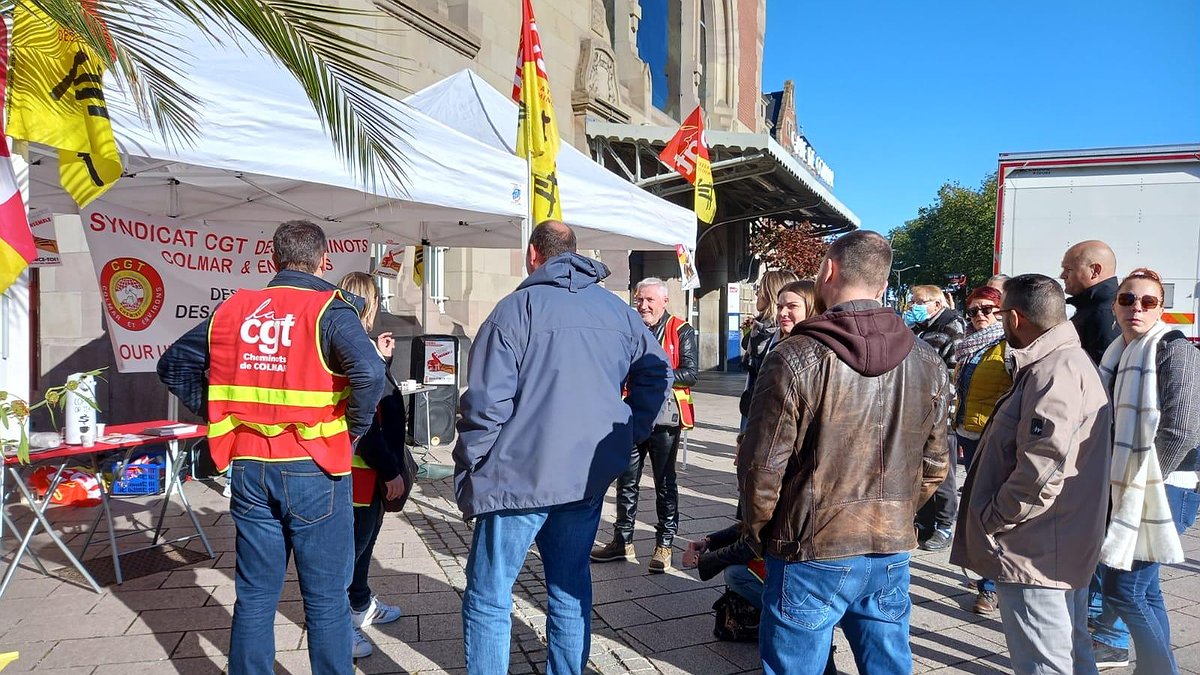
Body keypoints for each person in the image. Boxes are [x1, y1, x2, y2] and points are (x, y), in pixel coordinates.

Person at [158, 220, 385, 674]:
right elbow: (371, 374)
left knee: (256, 596)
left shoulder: (235, 309)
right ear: (325, 261)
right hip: (315, 468)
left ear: (272, 260)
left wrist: (218, 412)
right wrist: (352, 431)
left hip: (249, 467)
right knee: (324, 599)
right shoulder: (331, 310)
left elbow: (173, 364)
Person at [453, 221, 671, 675]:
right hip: (582, 477)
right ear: (575, 253)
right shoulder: (617, 312)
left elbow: (486, 403)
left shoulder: (515, 309)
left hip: (517, 478)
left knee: (490, 595)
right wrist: (630, 428)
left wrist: (471, 462)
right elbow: (657, 371)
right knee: (569, 587)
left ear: (533, 254)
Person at [738, 231, 951, 674]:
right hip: (889, 544)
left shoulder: (795, 355)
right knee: (889, 663)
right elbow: (935, 466)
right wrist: (898, 512)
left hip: (811, 545)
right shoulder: (928, 359)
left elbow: (762, 468)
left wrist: (760, 533)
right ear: (882, 284)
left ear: (828, 271)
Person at [950, 274, 1111, 675]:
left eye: (1001, 313)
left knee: (1044, 663)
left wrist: (995, 519)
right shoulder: (1058, 363)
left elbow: (1043, 467)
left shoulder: (1054, 370)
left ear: (1015, 318)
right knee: (1070, 655)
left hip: (1035, 550)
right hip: (1053, 543)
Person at [1090, 268, 1200, 674]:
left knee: (1125, 589)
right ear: (1116, 305)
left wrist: (1141, 482)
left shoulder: (1174, 349)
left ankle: (1159, 669)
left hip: (1166, 485)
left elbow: (1182, 428)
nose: (1136, 307)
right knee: (1144, 589)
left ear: (1160, 308)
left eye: (1148, 301)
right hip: (1133, 480)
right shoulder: (1118, 351)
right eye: (1127, 299)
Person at [591, 277, 698, 573]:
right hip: (631, 414)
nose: (643, 305)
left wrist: (655, 375)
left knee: (665, 482)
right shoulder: (628, 327)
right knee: (626, 482)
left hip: (665, 417)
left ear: (664, 301)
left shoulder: (681, 329)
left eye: (650, 300)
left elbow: (690, 373)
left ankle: (664, 544)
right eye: (640, 299)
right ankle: (621, 541)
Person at [336, 272, 407, 659]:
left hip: (369, 470)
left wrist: (383, 361)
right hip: (360, 471)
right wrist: (390, 468)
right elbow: (366, 422)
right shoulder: (354, 348)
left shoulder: (359, 346)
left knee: (364, 544)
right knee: (352, 549)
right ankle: (339, 626)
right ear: (368, 302)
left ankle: (360, 604)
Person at [952, 286, 1012, 616]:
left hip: (992, 438)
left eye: (987, 310)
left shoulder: (1008, 347)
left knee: (990, 513)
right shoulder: (969, 347)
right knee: (978, 510)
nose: (979, 317)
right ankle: (988, 574)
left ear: (1002, 312)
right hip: (967, 433)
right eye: (973, 311)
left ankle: (990, 585)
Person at [907, 284, 967, 551]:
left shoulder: (951, 326)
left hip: (941, 411)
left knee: (942, 473)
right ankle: (926, 521)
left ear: (937, 304)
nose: (913, 306)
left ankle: (944, 525)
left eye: (919, 301)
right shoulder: (919, 328)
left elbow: (952, 369)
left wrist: (942, 407)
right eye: (912, 301)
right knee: (921, 470)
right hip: (917, 407)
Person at [738, 270, 799, 428]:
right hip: (751, 407)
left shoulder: (781, 332)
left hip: (770, 416)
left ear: (770, 293)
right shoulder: (759, 330)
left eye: (760, 289)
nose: (756, 294)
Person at [1060, 240, 1121, 365]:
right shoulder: (1093, 308)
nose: (1062, 275)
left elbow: (1103, 375)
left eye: (1068, 269)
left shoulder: (1104, 314)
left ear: (1095, 271)